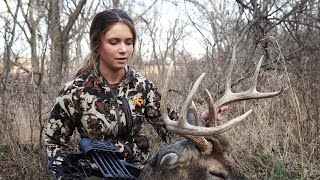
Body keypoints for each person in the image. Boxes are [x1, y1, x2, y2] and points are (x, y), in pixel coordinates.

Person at [43, 9, 228, 172]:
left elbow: (171, 128)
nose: (123, 49)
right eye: (114, 42)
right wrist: (68, 173)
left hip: (140, 172)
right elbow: (54, 143)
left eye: (129, 42)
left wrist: (201, 121)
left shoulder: (143, 87)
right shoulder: (75, 91)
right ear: (97, 45)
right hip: (96, 173)